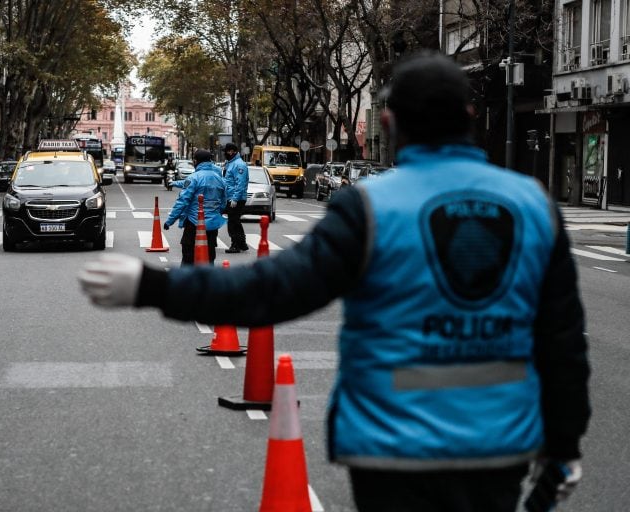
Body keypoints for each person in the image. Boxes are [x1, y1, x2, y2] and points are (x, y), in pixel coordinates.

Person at [77, 51, 590, 512]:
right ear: (470, 118)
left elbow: (273, 290)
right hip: (499, 446)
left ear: (387, 122)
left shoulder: (371, 207)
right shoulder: (535, 206)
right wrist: (565, 448)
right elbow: (563, 343)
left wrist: (153, 287)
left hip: (390, 445)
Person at [162, 148, 226, 265]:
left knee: (188, 256)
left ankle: (187, 280)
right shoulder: (220, 179)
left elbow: (182, 201)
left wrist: (170, 221)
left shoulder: (194, 178)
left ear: (196, 161)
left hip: (193, 222)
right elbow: (223, 203)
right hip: (212, 225)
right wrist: (215, 213)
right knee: (209, 255)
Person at [222, 142, 249, 253]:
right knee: (235, 221)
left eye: (226, 151)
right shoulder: (231, 163)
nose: (225, 153)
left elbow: (240, 183)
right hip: (231, 197)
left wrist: (235, 199)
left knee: (232, 223)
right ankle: (242, 243)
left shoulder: (239, 164)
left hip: (235, 198)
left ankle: (236, 245)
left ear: (231, 151)